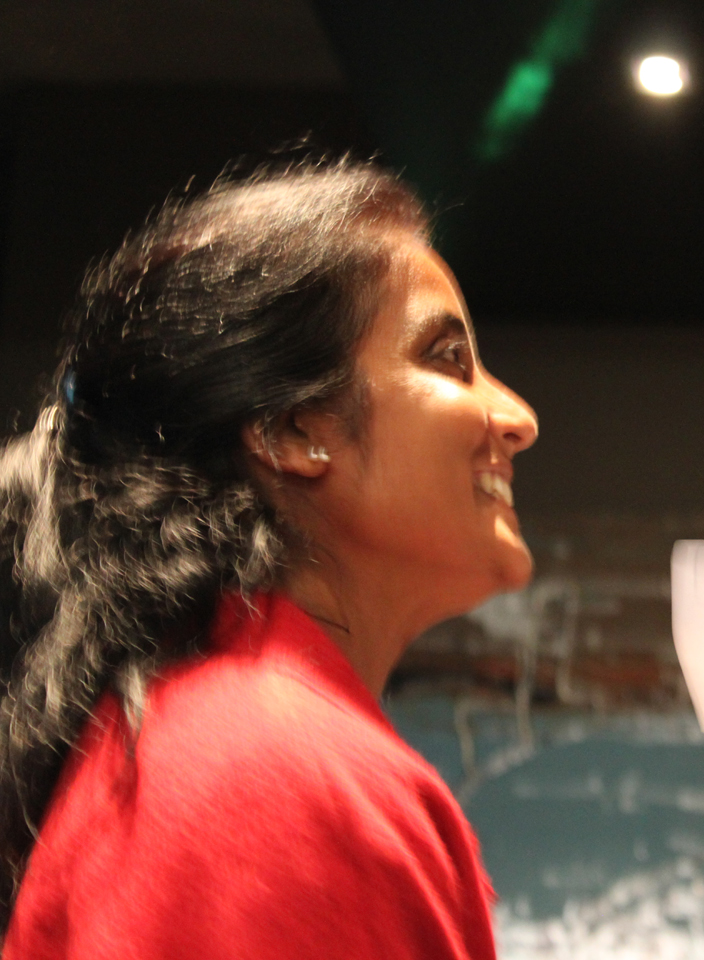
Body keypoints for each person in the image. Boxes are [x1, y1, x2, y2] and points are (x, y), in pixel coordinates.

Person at [0, 159, 539, 957]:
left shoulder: (217, 738)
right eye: (447, 358)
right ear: (295, 430)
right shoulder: (273, 775)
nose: (517, 417)